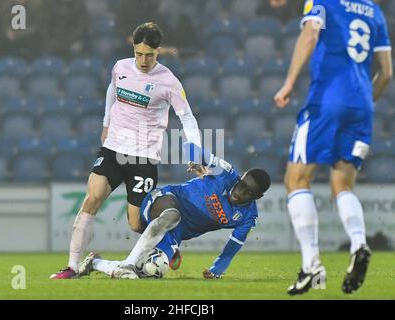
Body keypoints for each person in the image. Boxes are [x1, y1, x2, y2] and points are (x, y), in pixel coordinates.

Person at [50, 22, 201, 279]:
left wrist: (194, 153)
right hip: (113, 149)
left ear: (158, 52)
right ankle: (73, 267)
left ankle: (167, 245)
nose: (143, 60)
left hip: (143, 156)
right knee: (92, 198)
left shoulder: (168, 82)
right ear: (133, 47)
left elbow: (187, 117)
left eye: (149, 55)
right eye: (139, 53)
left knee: (134, 222)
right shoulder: (120, 67)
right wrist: (106, 123)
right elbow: (113, 90)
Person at [274, 0, 393, 295]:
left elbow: (310, 35)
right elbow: (387, 72)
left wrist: (288, 83)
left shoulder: (321, 1)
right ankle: (358, 243)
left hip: (328, 99)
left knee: (296, 179)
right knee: (342, 184)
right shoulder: (374, 11)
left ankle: (312, 266)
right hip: (362, 104)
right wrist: (363, 103)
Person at [77, 142, 271, 280]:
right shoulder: (225, 173)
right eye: (241, 184)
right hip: (166, 200)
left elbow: (232, 246)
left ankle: (95, 263)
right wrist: (199, 161)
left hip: (176, 234)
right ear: (241, 176)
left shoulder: (248, 217)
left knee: (152, 270)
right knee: (172, 215)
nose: (239, 192)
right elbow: (190, 147)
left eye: (248, 193)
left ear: (257, 197)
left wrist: (217, 269)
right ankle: (128, 263)